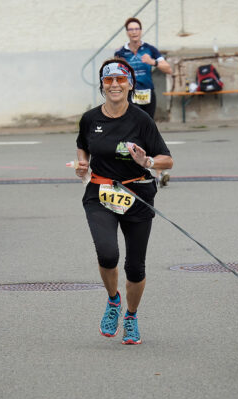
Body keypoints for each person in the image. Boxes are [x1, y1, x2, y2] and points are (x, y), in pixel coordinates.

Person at [75, 58, 173, 345]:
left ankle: (130, 316)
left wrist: (148, 160)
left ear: (130, 84)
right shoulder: (90, 118)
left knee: (135, 267)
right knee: (107, 254)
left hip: (137, 195)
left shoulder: (142, 120)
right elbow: (83, 144)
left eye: (120, 79)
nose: (115, 84)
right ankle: (113, 301)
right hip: (100, 194)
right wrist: (83, 164)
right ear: (102, 85)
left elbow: (168, 160)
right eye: (109, 80)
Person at [114, 17, 172, 187]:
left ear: (141, 31)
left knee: (149, 131)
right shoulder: (121, 53)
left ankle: (159, 173)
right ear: (127, 32)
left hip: (147, 95)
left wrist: (152, 62)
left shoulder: (150, 49)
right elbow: (113, 75)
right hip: (130, 96)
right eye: (130, 29)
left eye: (136, 29)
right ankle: (127, 172)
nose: (134, 32)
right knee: (130, 131)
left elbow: (168, 69)